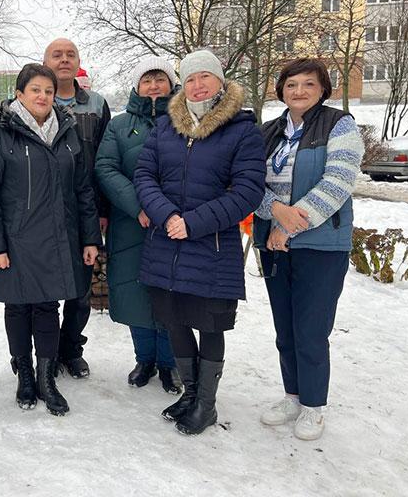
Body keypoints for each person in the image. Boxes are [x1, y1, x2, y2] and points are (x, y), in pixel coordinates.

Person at [133, 49, 265, 435]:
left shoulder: (241, 129)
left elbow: (247, 190)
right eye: (190, 78)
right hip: (166, 244)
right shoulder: (166, 127)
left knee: (208, 325)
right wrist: (167, 216)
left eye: (205, 76)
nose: (197, 84)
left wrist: (192, 223)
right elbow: (145, 175)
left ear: (220, 80)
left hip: (212, 246)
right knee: (175, 321)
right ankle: (190, 394)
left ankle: (206, 404)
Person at [0, 63, 101, 415]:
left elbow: (83, 190)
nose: (42, 96)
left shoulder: (66, 132)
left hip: (58, 237)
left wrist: (90, 238)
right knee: (18, 307)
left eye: (48, 90)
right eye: (35, 90)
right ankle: (25, 375)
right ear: (19, 94)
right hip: (15, 239)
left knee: (47, 307)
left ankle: (46, 377)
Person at [253, 58, 363, 441]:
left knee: (311, 330)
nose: (299, 91)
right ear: (281, 90)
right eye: (291, 84)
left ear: (323, 89)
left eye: (308, 84)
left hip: (321, 245)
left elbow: (338, 182)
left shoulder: (339, 125)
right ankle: (293, 396)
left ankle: (314, 406)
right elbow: (249, 183)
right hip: (273, 243)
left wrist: (288, 225)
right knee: (285, 329)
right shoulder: (268, 131)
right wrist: (274, 211)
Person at [95, 56, 183, 392]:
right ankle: (144, 358)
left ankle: (170, 363)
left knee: (171, 293)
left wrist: (166, 209)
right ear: (137, 86)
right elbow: (106, 167)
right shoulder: (119, 125)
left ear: (172, 83)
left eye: (160, 79)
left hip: (175, 222)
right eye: (147, 80)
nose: (154, 86)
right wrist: (139, 206)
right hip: (132, 222)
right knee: (135, 291)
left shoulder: (185, 119)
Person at [43, 38, 111, 378]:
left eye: (70, 55)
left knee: (81, 290)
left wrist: (103, 209)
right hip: (42, 212)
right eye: (57, 55)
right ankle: (46, 352)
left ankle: (71, 350)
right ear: (45, 62)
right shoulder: (35, 100)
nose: (64, 60)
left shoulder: (96, 104)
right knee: (44, 289)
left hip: (85, 210)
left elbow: (107, 159)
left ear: (79, 61)